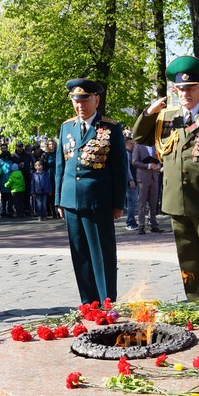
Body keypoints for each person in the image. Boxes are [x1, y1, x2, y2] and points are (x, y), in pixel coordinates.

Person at [133, 56, 199, 308]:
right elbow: (140, 136)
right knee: (187, 256)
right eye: (181, 89)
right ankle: (195, 301)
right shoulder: (166, 117)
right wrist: (149, 112)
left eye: (191, 88)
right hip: (176, 200)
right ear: (175, 91)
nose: (186, 93)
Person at [55, 78, 127, 304]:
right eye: (76, 101)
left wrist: (118, 203)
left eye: (85, 100)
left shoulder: (110, 128)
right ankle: (89, 303)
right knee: (80, 255)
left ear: (96, 99)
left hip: (99, 201)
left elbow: (120, 169)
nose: (80, 106)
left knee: (102, 255)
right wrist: (59, 199)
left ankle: (106, 301)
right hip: (71, 201)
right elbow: (60, 166)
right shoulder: (67, 127)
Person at [132, 138, 162, 234]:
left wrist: (159, 166)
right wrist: (148, 166)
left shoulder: (155, 145)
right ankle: (141, 226)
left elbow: (160, 160)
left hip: (154, 177)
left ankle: (153, 224)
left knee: (154, 203)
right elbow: (134, 161)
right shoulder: (138, 145)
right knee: (142, 203)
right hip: (143, 178)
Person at [124, 136, 139, 231]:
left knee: (132, 202)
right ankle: (130, 222)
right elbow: (127, 169)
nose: (133, 145)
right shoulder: (127, 154)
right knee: (132, 202)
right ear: (126, 145)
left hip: (133, 181)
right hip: (130, 182)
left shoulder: (131, 153)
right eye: (131, 143)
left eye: (134, 143)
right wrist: (131, 180)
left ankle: (131, 221)